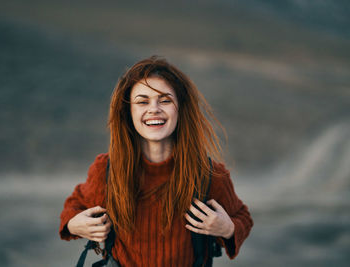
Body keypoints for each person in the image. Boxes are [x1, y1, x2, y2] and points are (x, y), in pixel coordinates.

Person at [59, 56, 253, 266]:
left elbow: (242, 218)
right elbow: (73, 208)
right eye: (142, 101)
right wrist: (74, 224)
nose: (154, 109)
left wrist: (227, 228)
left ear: (180, 108)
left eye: (165, 100)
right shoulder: (106, 170)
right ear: (128, 111)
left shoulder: (210, 175)